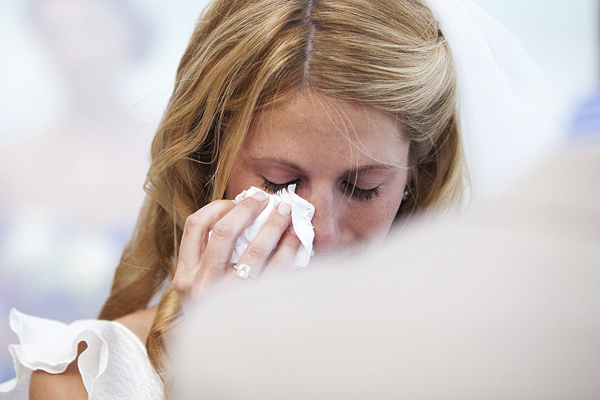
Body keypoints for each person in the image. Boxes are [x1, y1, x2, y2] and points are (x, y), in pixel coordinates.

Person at [0, 0, 555, 398]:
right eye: (280, 184)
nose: (326, 231)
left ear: (416, 175)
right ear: (209, 162)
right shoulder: (83, 378)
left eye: (363, 188)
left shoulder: (477, 365)